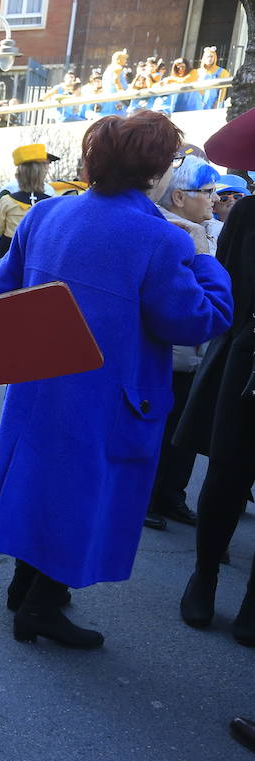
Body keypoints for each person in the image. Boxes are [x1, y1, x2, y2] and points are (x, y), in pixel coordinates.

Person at [0, 110, 232, 650]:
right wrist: (206, 256)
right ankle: (40, 605)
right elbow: (197, 319)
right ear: (155, 170)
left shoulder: (47, 215)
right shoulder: (161, 239)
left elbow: (3, 285)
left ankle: (25, 588)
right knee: (86, 495)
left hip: (41, 383)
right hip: (114, 394)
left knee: (40, 482)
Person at [174, 188, 254, 645]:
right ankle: (204, 576)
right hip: (246, 358)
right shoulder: (248, 212)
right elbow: (229, 287)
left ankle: (253, 602)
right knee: (227, 475)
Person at [143, 155, 222, 530]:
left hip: (197, 355)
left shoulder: (206, 228)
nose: (214, 198)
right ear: (179, 197)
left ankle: (171, 495)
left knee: (184, 432)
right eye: (206, 192)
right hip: (171, 351)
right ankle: (147, 498)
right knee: (159, 429)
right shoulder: (168, 231)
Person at [0, 144, 56, 274]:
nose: (47, 167)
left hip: (9, 249)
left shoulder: (8, 195)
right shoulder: (50, 194)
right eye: (45, 164)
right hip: (38, 251)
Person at [100, 49, 129, 116]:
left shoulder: (110, 67)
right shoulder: (117, 67)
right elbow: (116, 81)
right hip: (115, 98)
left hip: (109, 96)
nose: (125, 61)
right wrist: (121, 92)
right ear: (119, 59)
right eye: (124, 59)